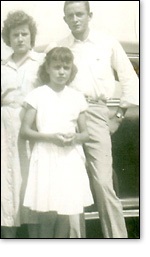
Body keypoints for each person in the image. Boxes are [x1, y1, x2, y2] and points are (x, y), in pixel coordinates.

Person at [50, 1, 139, 238]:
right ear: (65, 19)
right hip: (66, 114)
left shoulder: (106, 43)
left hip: (97, 112)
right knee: (71, 185)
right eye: (70, 15)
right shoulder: (59, 46)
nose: (75, 19)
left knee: (102, 182)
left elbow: (131, 81)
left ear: (90, 15)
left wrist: (118, 117)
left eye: (80, 14)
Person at [20, 46, 94, 238]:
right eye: (56, 67)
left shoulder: (76, 96)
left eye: (66, 67)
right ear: (47, 69)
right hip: (46, 158)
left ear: (71, 70)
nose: (61, 72)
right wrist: (50, 137)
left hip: (69, 159)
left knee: (65, 212)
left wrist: (74, 137)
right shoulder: (38, 95)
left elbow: (86, 134)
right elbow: (25, 131)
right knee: (48, 214)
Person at [1, 10, 45, 238]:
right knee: (6, 184)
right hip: (5, 132)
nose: (20, 39)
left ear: (31, 36)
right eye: (15, 34)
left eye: (24, 34)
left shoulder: (41, 62)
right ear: (8, 38)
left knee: (31, 183)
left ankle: (36, 242)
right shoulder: (2, 66)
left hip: (31, 131)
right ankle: (8, 242)